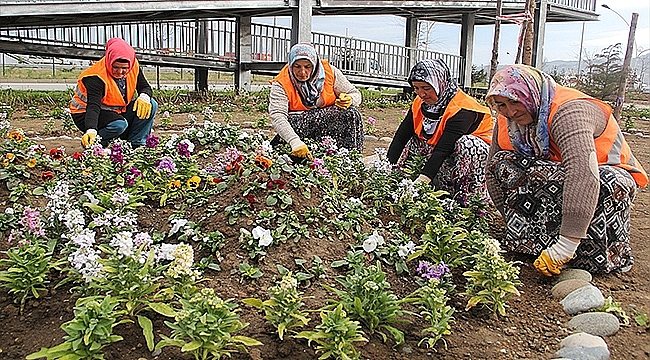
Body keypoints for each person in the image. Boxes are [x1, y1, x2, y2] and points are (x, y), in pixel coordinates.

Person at [485, 64, 648, 276]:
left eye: (515, 101)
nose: (510, 111)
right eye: (501, 105)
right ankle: (532, 241)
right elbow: (491, 170)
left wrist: (565, 246)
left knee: (607, 180)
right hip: (560, 174)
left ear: (530, 93)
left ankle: (582, 251)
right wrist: (510, 219)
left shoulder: (569, 111)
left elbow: (582, 173)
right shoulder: (507, 119)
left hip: (603, 175)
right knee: (503, 163)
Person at [387, 59, 494, 203]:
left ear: (440, 83)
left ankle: (466, 198)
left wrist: (420, 183)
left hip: (470, 156)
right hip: (442, 150)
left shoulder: (462, 109)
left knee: (466, 144)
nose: (421, 94)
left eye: (426, 88)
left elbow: (443, 149)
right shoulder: (421, 103)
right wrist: (387, 168)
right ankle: (425, 185)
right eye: (416, 88)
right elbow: (401, 137)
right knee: (414, 139)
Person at [269, 43, 363, 159]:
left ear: (315, 64)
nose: (302, 72)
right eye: (297, 66)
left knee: (351, 113)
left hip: (326, 124)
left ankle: (347, 159)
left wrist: (350, 99)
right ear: (290, 64)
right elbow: (277, 116)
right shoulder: (281, 83)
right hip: (298, 126)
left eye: (307, 66)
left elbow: (356, 94)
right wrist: (294, 141)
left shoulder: (330, 72)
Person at [70, 37, 157, 148]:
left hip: (116, 111)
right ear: (109, 60)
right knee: (119, 125)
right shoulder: (95, 76)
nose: (120, 72)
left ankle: (137, 143)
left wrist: (144, 96)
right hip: (85, 114)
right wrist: (91, 130)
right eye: (115, 67)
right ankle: (95, 143)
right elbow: (93, 106)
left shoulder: (133, 66)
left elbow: (145, 87)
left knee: (151, 104)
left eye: (124, 68)